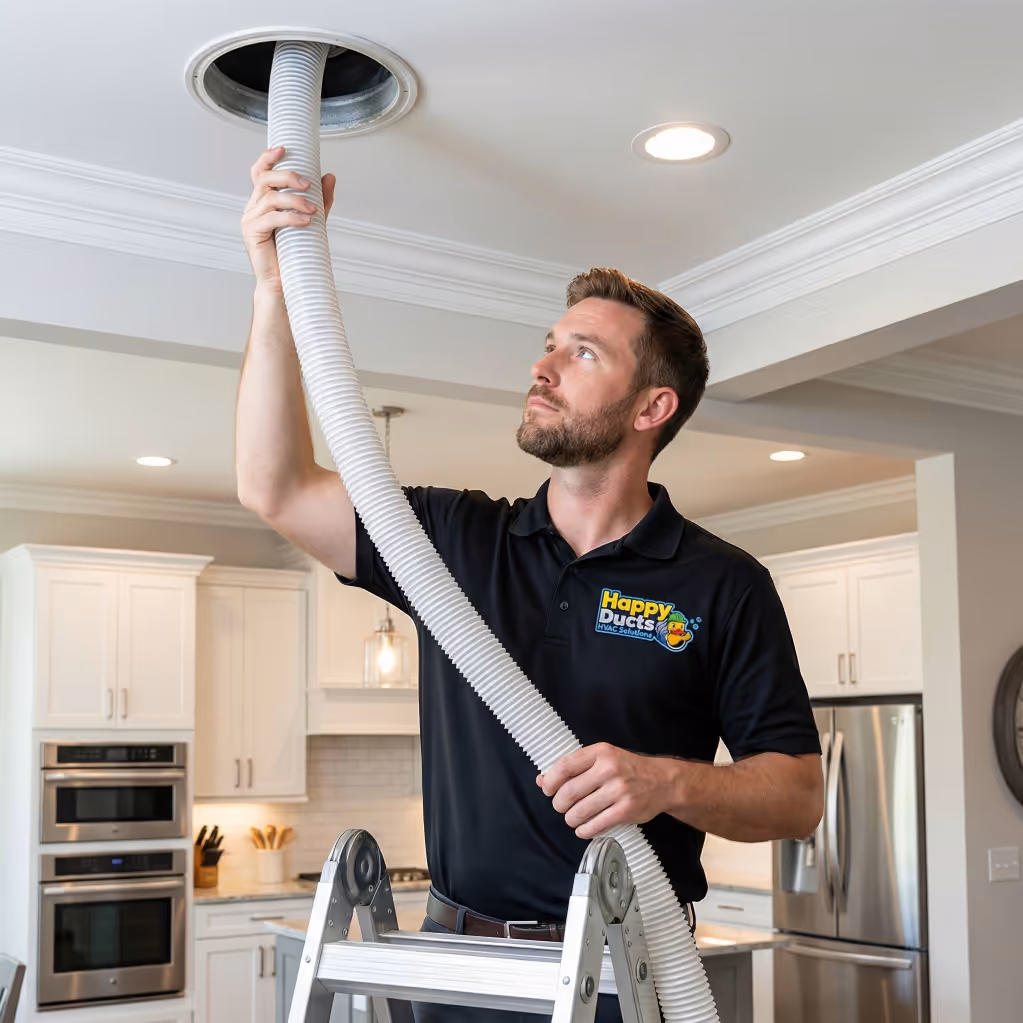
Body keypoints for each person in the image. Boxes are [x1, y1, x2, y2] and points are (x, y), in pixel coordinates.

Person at [237, 147, 824, 1022]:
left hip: (627, 972)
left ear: (649, 408)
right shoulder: (450, 538)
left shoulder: (722, 584)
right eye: (548, 346)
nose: (541, 369)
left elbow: (797, 792)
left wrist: (666, 783)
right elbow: (273, 486)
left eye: (581, 354)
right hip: (454, 965)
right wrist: (274, 292)